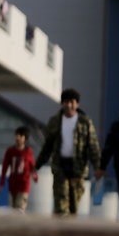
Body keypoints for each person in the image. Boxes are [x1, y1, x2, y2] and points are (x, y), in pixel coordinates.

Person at [34, 88, 103, 216]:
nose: (69, 105)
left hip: (78, 169)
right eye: (66, 102)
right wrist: (36, 166)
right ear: (62, 103)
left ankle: (68, 232)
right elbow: (47, 147)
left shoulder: (85, 122)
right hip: (60, 167)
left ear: (77, 104)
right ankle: (60, 231)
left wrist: (98, 167)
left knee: (73, 207)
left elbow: (93, 146)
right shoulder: (55, 122)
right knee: (61, 206)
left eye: (72, 102)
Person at [0, 126, 39, 212]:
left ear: (24, 138)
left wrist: (35, 177)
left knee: (20, 209)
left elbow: (32, 167)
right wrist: (2, 182)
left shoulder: (28, 152)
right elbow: (4, 167)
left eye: (20, 135)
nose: (17, 137)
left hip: (23, 185)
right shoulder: (10, 151)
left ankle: (20, 225)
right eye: (16, 135)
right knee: (12, 210)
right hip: (12, 185)